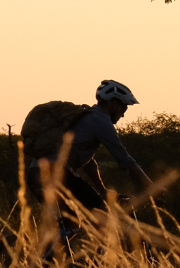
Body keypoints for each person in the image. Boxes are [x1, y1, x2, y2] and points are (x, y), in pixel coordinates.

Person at [40, 79, 151, 249]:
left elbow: (88, 163)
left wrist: (102, 191)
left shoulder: (87, 117)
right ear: (113, 103)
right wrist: (152, 187)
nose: (123, 113)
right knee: (101, 213)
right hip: (57, 173)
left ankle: (40, 262)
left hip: (38, 172)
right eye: (123, 107)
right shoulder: (100, 121)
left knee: (70, 223)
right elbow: (125, 161)